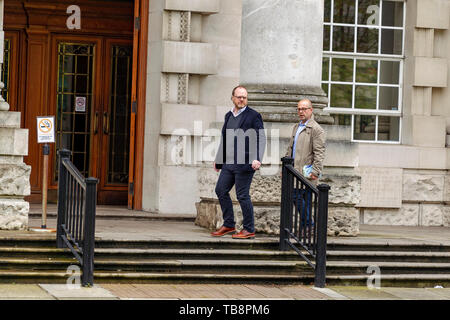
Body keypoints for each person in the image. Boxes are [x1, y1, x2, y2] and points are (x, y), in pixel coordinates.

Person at [211, 85, 266, 239]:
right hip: (228, 163)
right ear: (233, 98)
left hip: (246, 163)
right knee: (221, 190)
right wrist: (218, 159)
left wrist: (258, 158)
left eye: (245, 97)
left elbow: (261, 138)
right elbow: (225, 138)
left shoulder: (254, 115)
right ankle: (229, 224)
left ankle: (249, 229)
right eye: (239, 97)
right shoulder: (228, 116)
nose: (242, 99)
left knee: (242, 195)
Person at [285, 99, 326, 229]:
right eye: (299, 109)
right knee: (300, 199)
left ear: (311, 110)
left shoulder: (316, 129)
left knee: (300, 198)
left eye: (304, 109)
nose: (301, 112)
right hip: (294, 170)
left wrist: (316, 171)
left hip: (307, 171)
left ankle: (309, 224)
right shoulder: (296, 127)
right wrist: (285, 167)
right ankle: (307, 229)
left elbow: (319, 152)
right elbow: (290, 148)